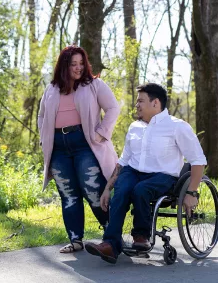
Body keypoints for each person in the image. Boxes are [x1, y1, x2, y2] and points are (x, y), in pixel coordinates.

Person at [85, 83, 207, 264]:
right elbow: (123, 161)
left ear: (155, 103)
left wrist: (191, 192)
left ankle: (141, 236)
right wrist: (107, 188)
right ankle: (110, 244)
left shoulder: (178, 127)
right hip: (132, 172)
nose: (136, 105)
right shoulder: (135, 127)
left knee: (140, 190)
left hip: (163, 176)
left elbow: (198, 161)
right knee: (122, 191)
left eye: (140, 101)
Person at [38, 45, 120, 253]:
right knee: (68, 194)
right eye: (73, 64)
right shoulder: (52, 89)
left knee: (93, 189)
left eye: (81, 63)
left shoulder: (94, 85)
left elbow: (113, 108)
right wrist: (44, 138)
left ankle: (111, 236)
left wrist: (102, 132)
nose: (78, 68)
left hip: (85, 144)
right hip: (58, 147)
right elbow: (41, 115)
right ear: (63, 66)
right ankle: (75, 239)